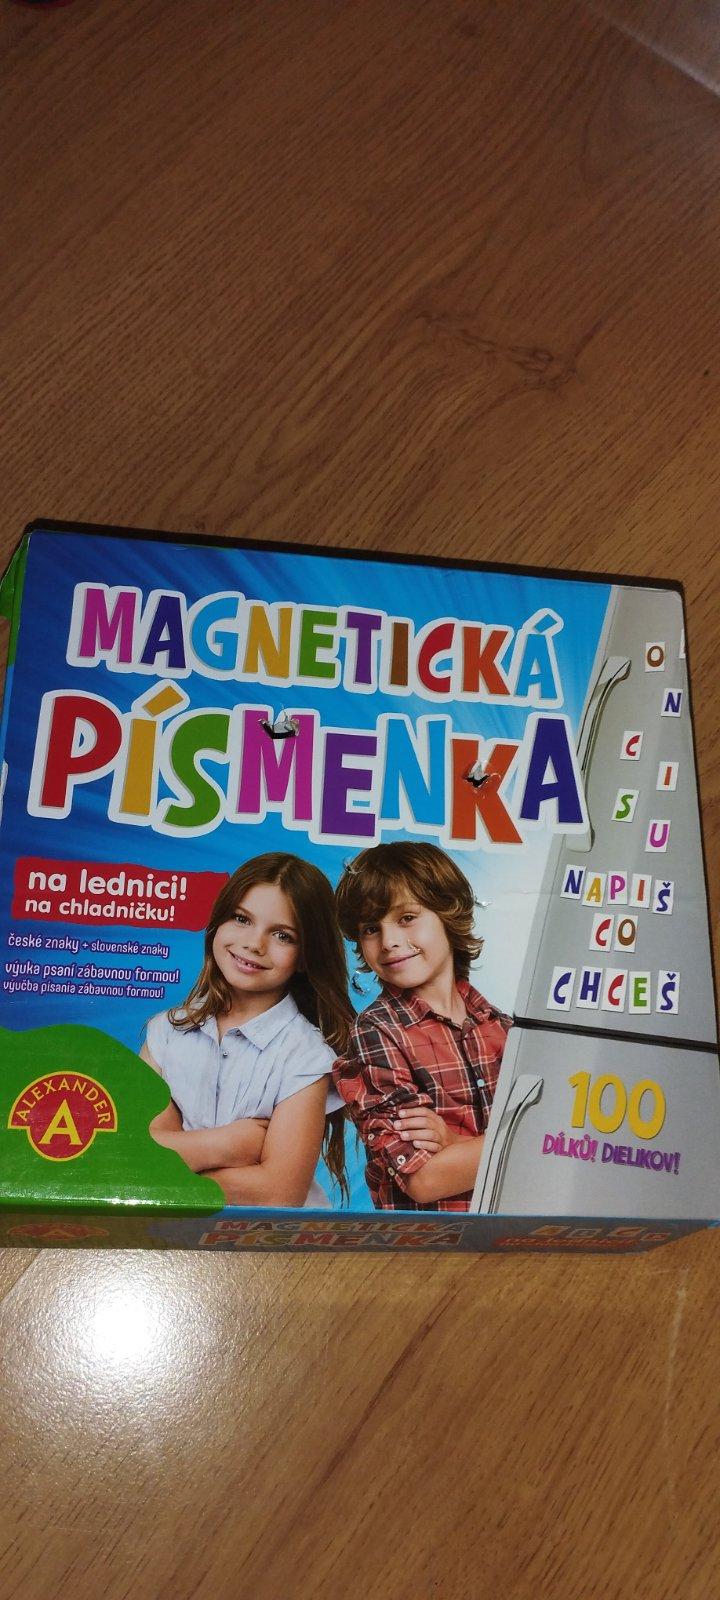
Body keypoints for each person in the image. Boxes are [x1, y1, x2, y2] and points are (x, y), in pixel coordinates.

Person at [141, 852, 354, 1208]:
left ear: (306, 955)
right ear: (218, 922)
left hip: (275, 1236)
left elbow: (278, 1193)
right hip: (181, 1232)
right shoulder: (166, 1032)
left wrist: (172, 1164)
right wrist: (226, 1145)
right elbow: (136, 1155)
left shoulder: (307, 1054)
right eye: (241, 919)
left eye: (283, 935)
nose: (255, 944)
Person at [333, 841, 512, 1211]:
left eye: (407, 918)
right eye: (371, 928)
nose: (389, 942)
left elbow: (558, 1154)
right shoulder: (377, 1031)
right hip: (431, 1241)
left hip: (514, 1233)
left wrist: (456, 1145)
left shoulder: (506, 1029)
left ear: (448, 912)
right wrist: (527, 1146)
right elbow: (425, 1179)